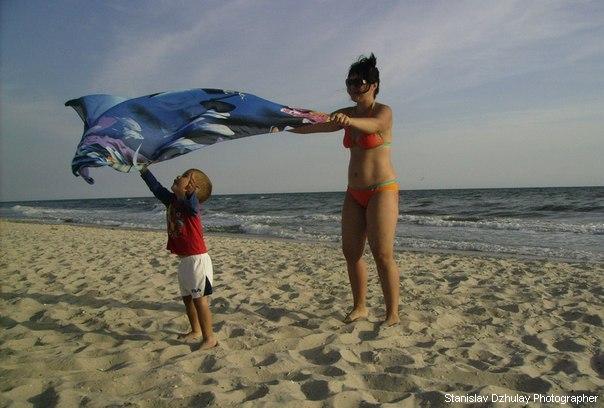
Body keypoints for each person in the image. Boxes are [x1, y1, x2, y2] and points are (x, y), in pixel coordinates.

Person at [291, 54, 400, 326]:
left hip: (381, 190)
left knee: (382, 253)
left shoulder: (383, 112)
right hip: (354, 192)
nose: (352, 88)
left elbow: (373, 126)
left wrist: (348, 122)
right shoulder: (347, 114)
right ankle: (360, 307)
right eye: (349, 83)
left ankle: (392, 314)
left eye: (358, 82)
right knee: (351, 253)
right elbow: (315, 125)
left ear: (373, 84)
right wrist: (284, 125)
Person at [140, 166, 218, 348]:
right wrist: (144, 171)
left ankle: (210, 337)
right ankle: (196, 330)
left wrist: (188, 193)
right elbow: (156, 188)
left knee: (200, 301)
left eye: (184, 176)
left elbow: (191, 204)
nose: (178, 176)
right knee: (188, 299)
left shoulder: (192, 207)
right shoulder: (172, 201)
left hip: (197, 260)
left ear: (192, 188)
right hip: (184, 261)